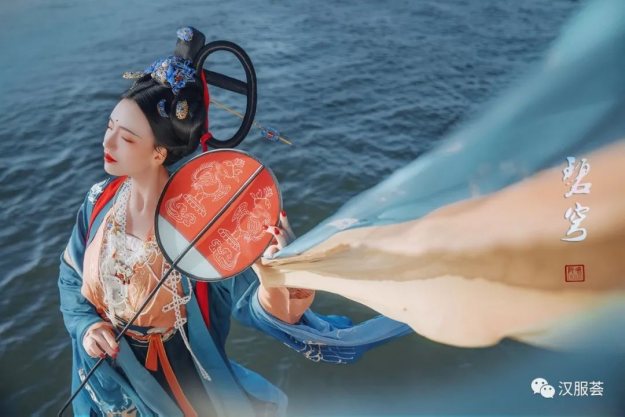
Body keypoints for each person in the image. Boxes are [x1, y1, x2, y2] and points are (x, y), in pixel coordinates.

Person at [58, 27, 412, 417]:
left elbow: (257, 305)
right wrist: (87, 327)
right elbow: (71, 276)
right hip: (99, 377)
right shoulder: (100, 200)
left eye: (125, 138)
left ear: (159, 152)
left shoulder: (199, 223)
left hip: (171, 386)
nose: (106, 143)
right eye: (109, 126)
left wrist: (277, 275)